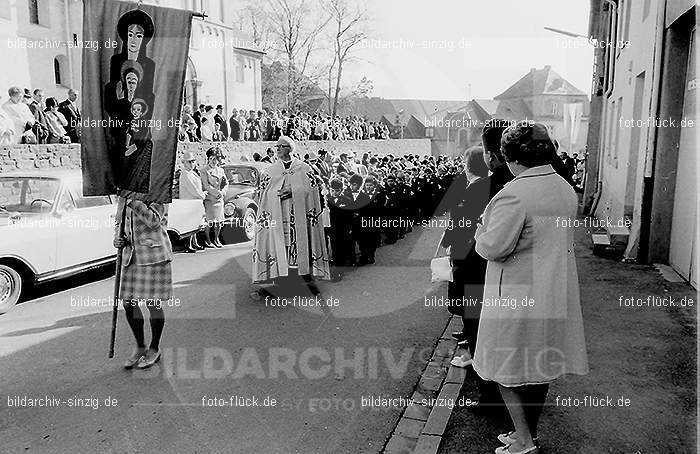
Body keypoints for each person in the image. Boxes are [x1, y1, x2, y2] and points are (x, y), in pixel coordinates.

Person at [472, 121, 589, 454]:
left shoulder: (514, 194)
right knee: (539, 368)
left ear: (512, 156)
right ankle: (527, 434)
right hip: (554, 291)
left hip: (516, 295)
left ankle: (523, 440)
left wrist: (481, 229)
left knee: (503, 370)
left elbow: (493, 248)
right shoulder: (564, 187)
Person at [251, 136, 330, 295]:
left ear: (290, 148)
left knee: (302, 247)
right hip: (278, 217)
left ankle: (307, 282)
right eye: (277, 146)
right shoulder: (270, 171)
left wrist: (294, 191)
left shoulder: (304, 168)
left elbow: (312, 192)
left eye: (281, 146)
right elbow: (263, 194)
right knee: (281, 248)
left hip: (299, 217)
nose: (277, 148)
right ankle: (278, 281)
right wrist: (277, 193)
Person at [113, 196, 172, 370]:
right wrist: (117, 238)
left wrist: (132, 200)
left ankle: (154, 348)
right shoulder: (124, 194)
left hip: (154, 256)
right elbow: (119, 221)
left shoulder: (158, 189)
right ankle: (140, 346)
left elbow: (153, 221)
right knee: (128, 303)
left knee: (152, 303)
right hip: (131, 256)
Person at [178, 151, 206, 253]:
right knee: (189, 225)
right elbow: (193, 189)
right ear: (184, 163)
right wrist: (203, 195)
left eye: (193, 161)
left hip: (195, 202)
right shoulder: (185, 174)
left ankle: (195, 243)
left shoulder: (192, 173)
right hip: (188, 202)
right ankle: (188, 245)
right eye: (189, 162)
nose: (191, 164)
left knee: (195, 224)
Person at [200, 147, 228, 248]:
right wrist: (216, 193)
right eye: (211, 158)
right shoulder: (204, 170)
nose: (213, 161)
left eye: (215, 159)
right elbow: (206, 185)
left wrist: (223, 192)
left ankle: (216, 239)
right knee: (209, 221)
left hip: (219, 199)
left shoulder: (220, 170)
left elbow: (226, 183)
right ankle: (208, 240)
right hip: (210, 198)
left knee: (219, 221)